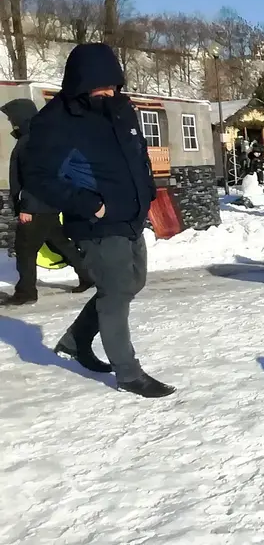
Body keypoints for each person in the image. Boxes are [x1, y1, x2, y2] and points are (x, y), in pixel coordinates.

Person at [24, 43, 173, 398]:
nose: (109, 91)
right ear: (80, 81)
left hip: (131, 215)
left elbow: (138, 155)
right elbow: (38, 176)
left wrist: (147, 192)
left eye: (113, 84)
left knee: (131, 283)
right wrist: (91, 205)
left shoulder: (121, 110)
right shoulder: (55, 121)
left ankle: (75, 341)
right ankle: (128, 373)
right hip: (96, 222)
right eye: (100, 84)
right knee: (116, 292)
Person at [1, 99, 93, 305]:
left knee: (25, 249)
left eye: (11, 118)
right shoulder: (40, 138)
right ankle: (88, 275)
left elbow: (34, 177)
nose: (10, 122)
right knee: (61, 242)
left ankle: (26, 292)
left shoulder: (29, 142)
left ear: (21, 117)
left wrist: (26, 207)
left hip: (35, 206)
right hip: (49, 204)